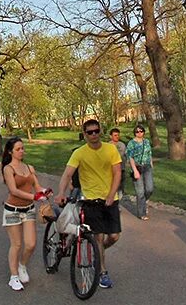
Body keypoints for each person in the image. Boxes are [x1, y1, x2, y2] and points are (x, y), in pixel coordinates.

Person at [56, 119, 122, 290]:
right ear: (84, 135)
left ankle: (97, 255)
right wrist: (61, 193)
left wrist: (110, 195)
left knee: (114, 236)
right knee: (98, 237)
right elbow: (67, 174)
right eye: (90, 132)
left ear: (100, 131)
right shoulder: (79, 153)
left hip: (110, 199)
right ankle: (103, 272)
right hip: (91, 201)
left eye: (96, 131)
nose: (94, 135)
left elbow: (117, 174)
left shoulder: (110, 149)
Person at [1, 137, 44, 291]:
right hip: (12, 210)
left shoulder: (29, 167)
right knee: (17, 244)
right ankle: (13, 277)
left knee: (31, 244)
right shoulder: (8, 169)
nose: (21, 151)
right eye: (18, 149)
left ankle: (22, 265)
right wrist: (34, 197)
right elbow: (13, 190)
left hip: (29, 210)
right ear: (11, 151)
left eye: (23, 148)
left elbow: (37, 186)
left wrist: (43, 192)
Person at [127, 124, 154, 220]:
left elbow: (149, 153)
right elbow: (130, 157)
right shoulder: (131, 143)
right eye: (137, 131)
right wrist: (134, 170)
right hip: (137, 167)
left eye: (141, 131)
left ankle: (144, 201)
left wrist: (151, 164)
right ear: (135, 133)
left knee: (150, 188)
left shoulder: (146, 142)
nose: (139, 133)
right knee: (140, 192)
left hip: (147, 167)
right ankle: (141, 213)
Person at [109, 127, 127, 198]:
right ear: (111, 136)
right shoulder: (108, 145)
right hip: (110, 170)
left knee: (120, 187)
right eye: (115, 135)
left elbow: (123, 155)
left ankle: (119, 200)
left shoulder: (122, 145)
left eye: (118, 135)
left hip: (121, 168)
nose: (117, 137)